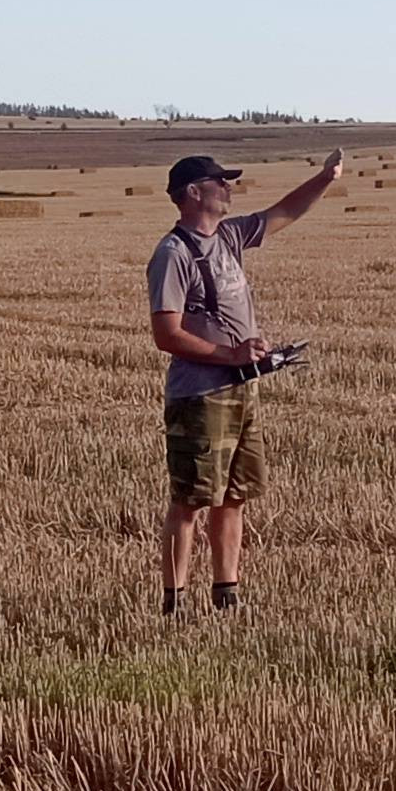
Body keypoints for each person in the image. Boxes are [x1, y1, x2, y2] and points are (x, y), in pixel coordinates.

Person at [145, 147, 341, 612]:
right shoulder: (173, 254)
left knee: (233, 498)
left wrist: (325, 178)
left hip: (241, 389)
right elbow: (166, 334)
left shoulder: (229, 237)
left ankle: (226, 595)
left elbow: (285, 212)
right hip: (200, 395)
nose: (228, 187)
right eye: (220, 182)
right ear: (194, 193)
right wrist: (229, 354)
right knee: (190, 502)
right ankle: (175, 603)